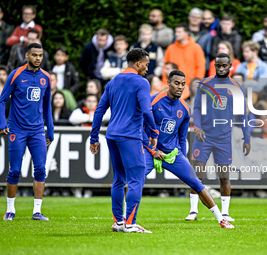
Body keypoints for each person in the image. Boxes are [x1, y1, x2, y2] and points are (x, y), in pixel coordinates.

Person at [144, 70, 234, 229]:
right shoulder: (153, 102)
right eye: (177, 83)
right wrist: (152, 151)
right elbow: (140, 128)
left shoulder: (185, 109)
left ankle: (221, 219)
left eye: (183, 84)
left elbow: (181, 138)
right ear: (168, 83)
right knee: (135, 180)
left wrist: (183, 161)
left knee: (196, 182)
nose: (180, 87)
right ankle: (126, 219)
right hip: (150, 151)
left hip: (172, 154)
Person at [89, 48, 159, 233]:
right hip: (130, 136)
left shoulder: (113, 82)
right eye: (146, 64)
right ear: (138, 63)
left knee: (119, 179)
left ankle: (118, 222)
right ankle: (130, 223)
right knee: (136, 180)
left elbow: (99, 111)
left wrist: (94, 137)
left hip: (112, 135)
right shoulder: (141, 82)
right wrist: (154, 131)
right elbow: (146, 110)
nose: (147, 68)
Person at [186, 53, 251, 222]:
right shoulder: (206, 84)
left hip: (224, 138)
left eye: (224, 66)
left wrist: (247, 138)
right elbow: (198, 108)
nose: (221, 68)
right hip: (204, 136)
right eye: (218, 65)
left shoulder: (236, 87)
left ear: (231, 66)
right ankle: (193, 211)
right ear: (214, 65)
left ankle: (226, 213)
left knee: (224, 177)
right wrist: (197, 127)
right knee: (197, 175)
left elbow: (242, 115)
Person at [0, 43, 54, 221]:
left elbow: (47, 107)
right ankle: (10, 210)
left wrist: (50, 130)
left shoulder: (46, 77)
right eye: (35, 55)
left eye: (40, 55)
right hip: (17, 129)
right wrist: (2, 122)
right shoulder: (16, 74)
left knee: (40, 169)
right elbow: (2, 100)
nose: (38, 58)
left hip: (37, 130)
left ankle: (37, 211)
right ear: (27, 55)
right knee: (14, 170)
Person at [162, 23, 205, 100]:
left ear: (186, 33)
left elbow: (200, 67)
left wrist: (193, 83)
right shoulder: (170, 48)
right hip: (173, 84)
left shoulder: (196, 48)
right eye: (176, 32)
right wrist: (165, 82)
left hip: (190, 85)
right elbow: (165, 67)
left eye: (179, 32)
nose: (176, 34)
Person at [188, 8, 212, 73]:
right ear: (189, 17)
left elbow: (208, 53)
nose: (195, 19)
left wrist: (205, 68)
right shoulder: (183, 32)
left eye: (198, 17)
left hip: (199, 66)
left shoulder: (206, 35)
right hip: (184, 64)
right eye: (193, 16)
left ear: (201, 20)